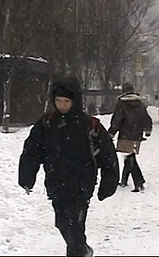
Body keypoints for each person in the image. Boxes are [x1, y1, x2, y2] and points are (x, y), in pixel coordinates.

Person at [19, 75, 119, 257]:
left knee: (74, 225)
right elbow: (32, 151)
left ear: (75, 100)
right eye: (58, 101)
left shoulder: (90, 125)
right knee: (62, 223)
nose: (62, 105)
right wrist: (27, 177)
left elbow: (107, 154)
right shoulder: (47, 123)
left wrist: (108, 182)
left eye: (66, 101)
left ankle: (79, 252)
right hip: (56, 184)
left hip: (82, 184)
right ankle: (84, 251)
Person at [108, 81, 152, 193]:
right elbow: (145, 117)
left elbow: (117, 119)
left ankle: (139, 182)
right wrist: (147, 129)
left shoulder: (121, 102)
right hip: (137, 134)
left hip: (125, 133)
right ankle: (124, 180)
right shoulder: (140, 102)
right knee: (129, 155)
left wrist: (111, 132)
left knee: (129, 157)